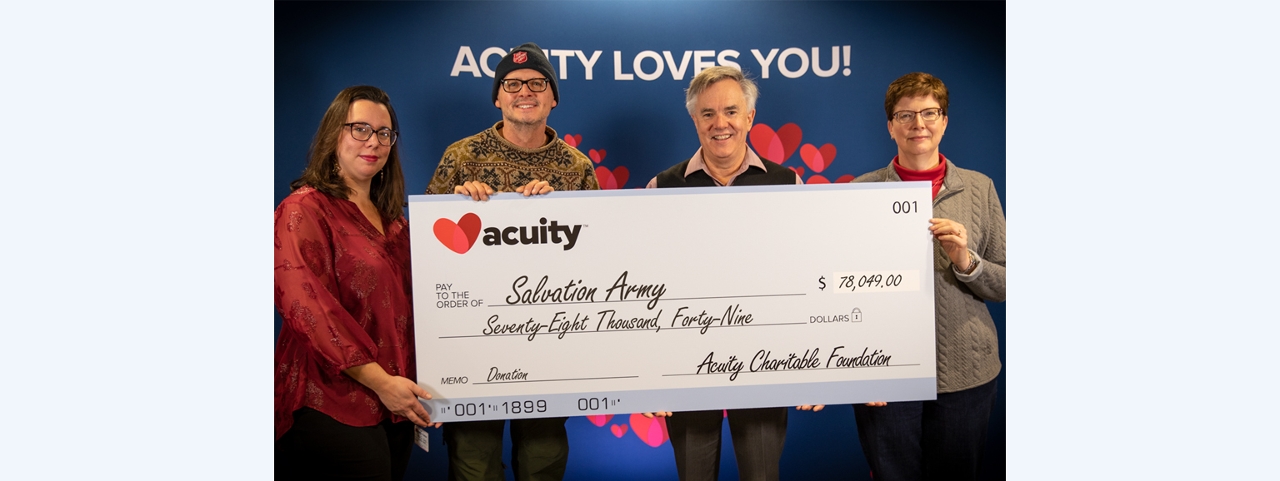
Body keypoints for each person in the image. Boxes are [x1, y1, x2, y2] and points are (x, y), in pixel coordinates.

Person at [425, 42, 599, 481]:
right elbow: (424, 250)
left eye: (538, 83)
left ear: (553, 97)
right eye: (513, 84)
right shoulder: (460, 157)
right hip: (473, 344)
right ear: (497, 97)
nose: (526, 91)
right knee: (473, 464)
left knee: (543, 463)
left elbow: (600, 257)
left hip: (548, 345)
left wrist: (561, 215)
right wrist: (454, 206)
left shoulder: (576, 169)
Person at [645, 66, 800, 481]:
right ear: (694, 120)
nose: (720, 123)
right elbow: (644, 288)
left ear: (749, 117)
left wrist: (813, 369)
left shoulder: (790, 185)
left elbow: (804, 279)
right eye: (708, 114)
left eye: (731, 111)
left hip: (766, 362)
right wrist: (647, 374)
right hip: (685, 366)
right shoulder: (660, 188)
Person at [275, 86, 438, 481]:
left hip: (395, 405)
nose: (374, 142)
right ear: (334, 135)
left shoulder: (397, 224)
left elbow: (430, 302)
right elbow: (308, 309)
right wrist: (381, 383)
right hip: (329, 402)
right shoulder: (304, 210)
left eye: (384, 133)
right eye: (360, 129)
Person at [851, 72, 1006, 481]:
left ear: (944, 121)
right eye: (905, 115)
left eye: (929, 113)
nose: (918, 124)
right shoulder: (860, 191)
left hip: (966, 372)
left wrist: (966, 260)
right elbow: (843, 290)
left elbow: (1006, 284)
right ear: (890, 126)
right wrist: (856, 370)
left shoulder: (979, 188)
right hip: (885, 372)